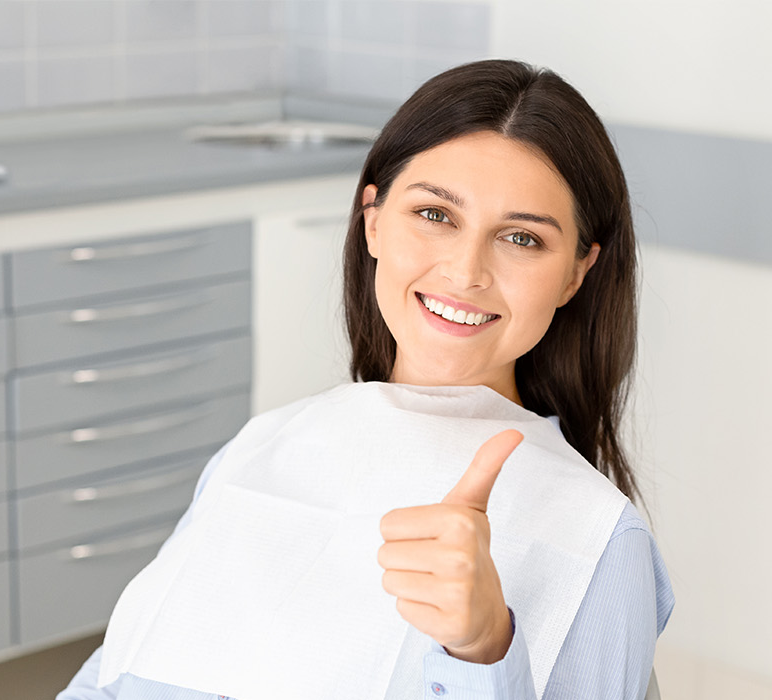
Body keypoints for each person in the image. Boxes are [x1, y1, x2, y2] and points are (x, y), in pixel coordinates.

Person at [57, 59, 672, 700]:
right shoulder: (261, 447)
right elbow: (116, 669)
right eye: (435, 214)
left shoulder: (595, 539)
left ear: (576, 273)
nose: (466, 273)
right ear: (373, 219)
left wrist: (483, 650)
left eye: (521, 238)